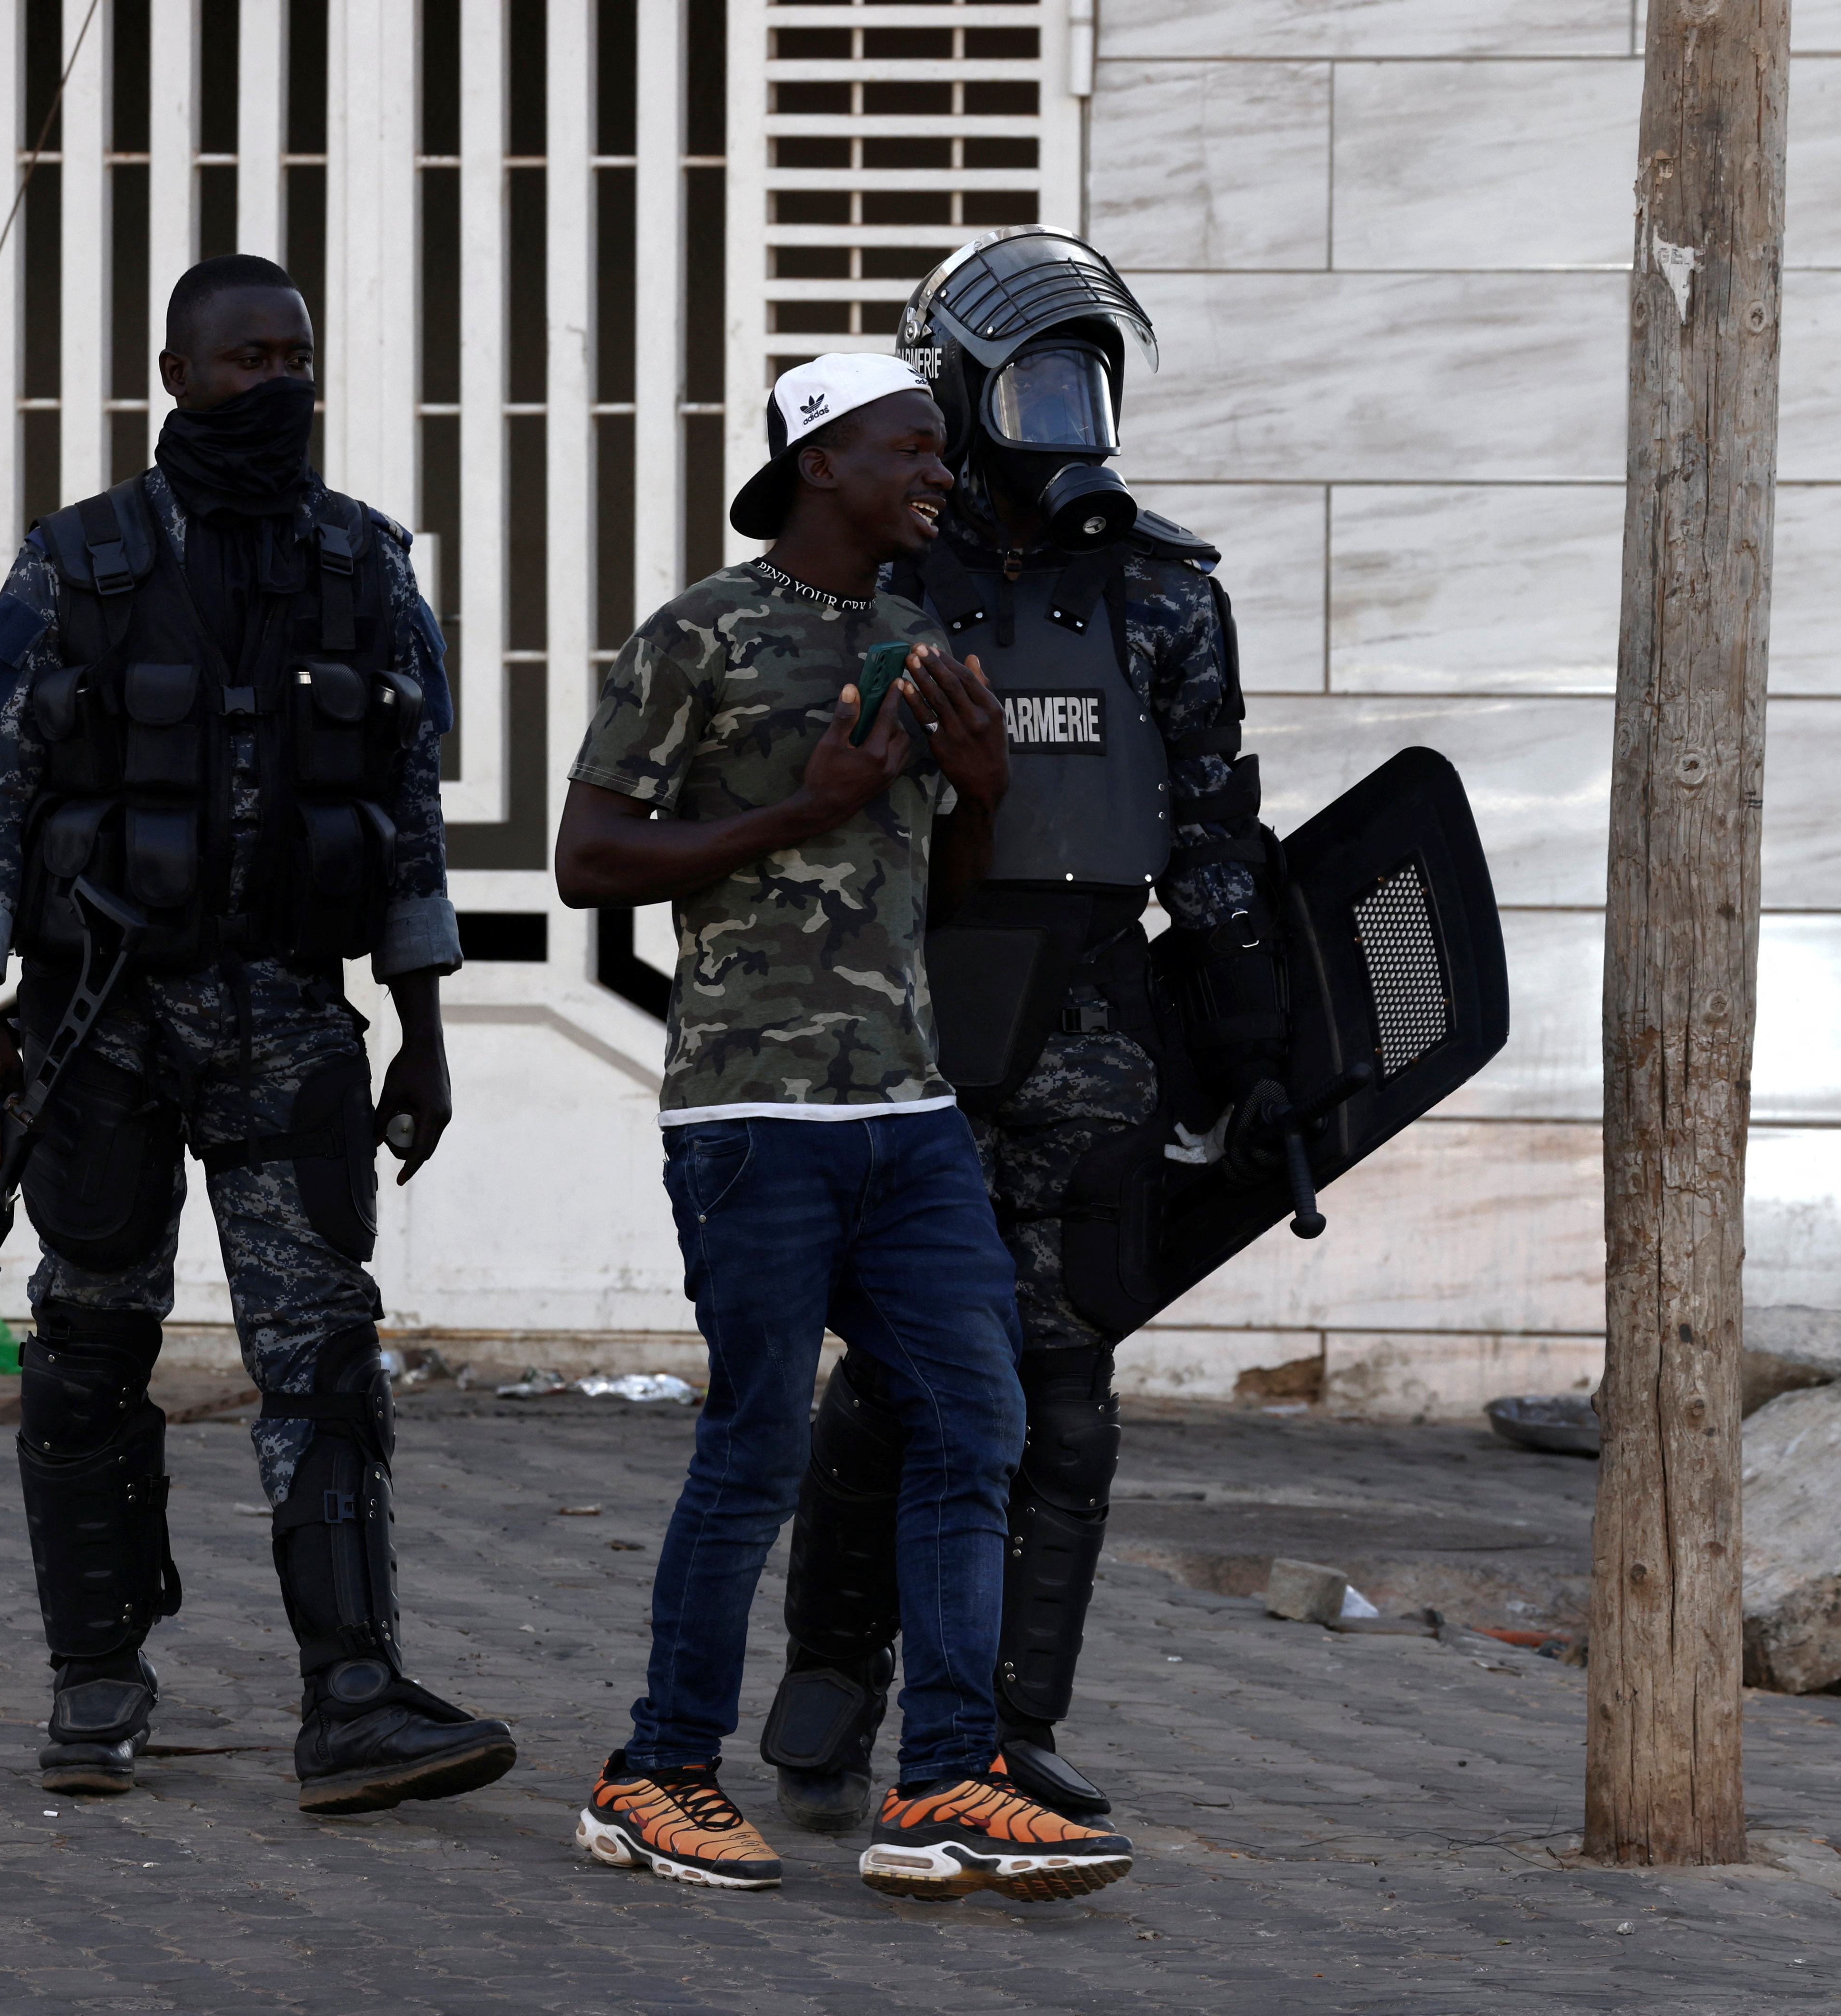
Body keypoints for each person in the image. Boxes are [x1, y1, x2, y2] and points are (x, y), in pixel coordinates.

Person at [0, 253, 516, 1813]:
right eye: (244, 359)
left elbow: (403, 813)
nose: (276, 382)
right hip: (102, 1020)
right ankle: (96, 1680)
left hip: (288, 1019)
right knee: (93, 1336)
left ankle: (356, 1693)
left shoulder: (364, 564)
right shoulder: (79, 563)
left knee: (323, 1351)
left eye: (295, 355)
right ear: (173, 374)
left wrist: (423, 1023)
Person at [552, 351, 1138, 1902]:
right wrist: (799, 809)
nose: (945, 474)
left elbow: (928, 893)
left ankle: (944, 1780)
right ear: (824, 461)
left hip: (911, 1109)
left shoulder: (918, 641)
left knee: (978, 1421)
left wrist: (988, 789)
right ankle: (657, 1769)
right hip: (756, 1112)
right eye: (916, 450)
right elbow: (590, 859)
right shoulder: (700, 634)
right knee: (754, 1447)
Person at [758, 231, 1294, 1830]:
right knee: (905, 1374)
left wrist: (1256, 1036)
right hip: (905, 1017)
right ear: (959, 394)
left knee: (1066, 1383)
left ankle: (1003, 1723)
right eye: (1036, 381)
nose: (1069, 413)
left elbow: (1214, 825)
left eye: (1091, 379)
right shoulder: (873, 578)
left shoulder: (1164, 593)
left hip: (1087, 1023)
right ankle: (832, 1677)